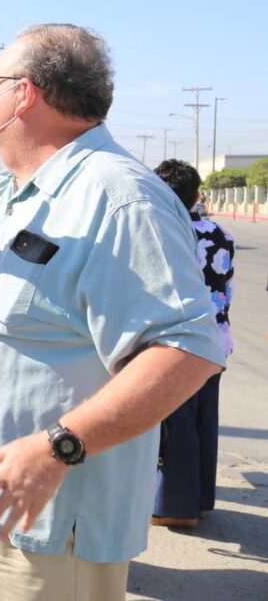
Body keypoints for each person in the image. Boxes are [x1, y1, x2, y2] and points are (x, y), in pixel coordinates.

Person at [0, 24, 226, 601]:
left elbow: (188, 351)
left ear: (23, 94)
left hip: (53, 517)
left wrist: (57, 448)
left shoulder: (120, 198)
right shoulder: (7, 192)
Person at [151, 159, 235, 528]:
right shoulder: (220, 234)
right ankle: (200, 501)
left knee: (174, 421)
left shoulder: (158, 229)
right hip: (215, 340)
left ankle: (173, 506)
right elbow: (226, 287)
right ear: (197, 195)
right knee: (203, 419)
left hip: (173, 341)